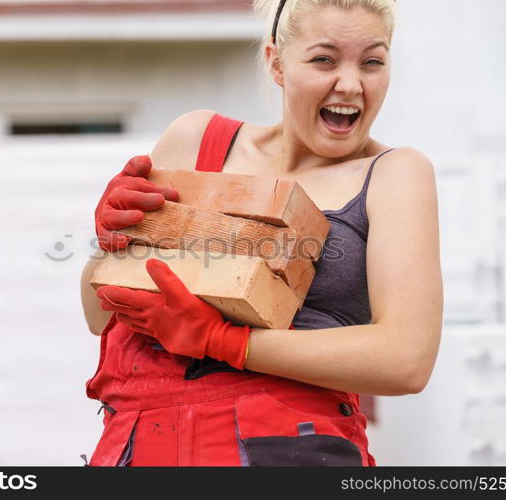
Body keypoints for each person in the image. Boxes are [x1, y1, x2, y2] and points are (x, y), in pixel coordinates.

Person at [81, 0, 443, 466]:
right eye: (324, 60)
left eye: (372, 61)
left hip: (292, 448)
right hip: (142, 443)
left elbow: (406, 359)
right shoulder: (195, 140)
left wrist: (225, 342)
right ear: (276, 63)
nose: (351, 84)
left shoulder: (395, 174)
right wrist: (110, 239)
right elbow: (99, 317)